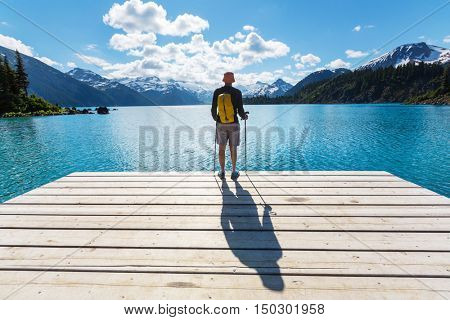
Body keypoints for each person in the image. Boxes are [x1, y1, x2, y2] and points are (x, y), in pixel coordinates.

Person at [211, 72, 248, 180]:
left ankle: (222, 172)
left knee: (221, 148)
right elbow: (240, 110)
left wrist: (217, 119)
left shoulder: (217, 92)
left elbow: (213, 109)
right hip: (234, 123)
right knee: (233, 148)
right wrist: (244, 116)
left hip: (221, 124)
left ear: (223, 80)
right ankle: (233, 172)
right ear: (233, 81)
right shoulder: (237, 92)